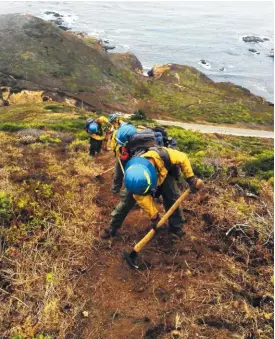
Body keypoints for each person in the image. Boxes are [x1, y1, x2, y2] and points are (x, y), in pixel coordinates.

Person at [101, 146, 200, 239]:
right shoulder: (133, 177)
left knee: (172, 198)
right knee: (126, 201)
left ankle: (177, 228)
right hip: (139, 182)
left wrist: (190, 178)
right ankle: (112, 227)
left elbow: (183, 157)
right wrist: (154, 216)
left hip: (165, 174)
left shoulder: (166, 155)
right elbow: (142, 198)